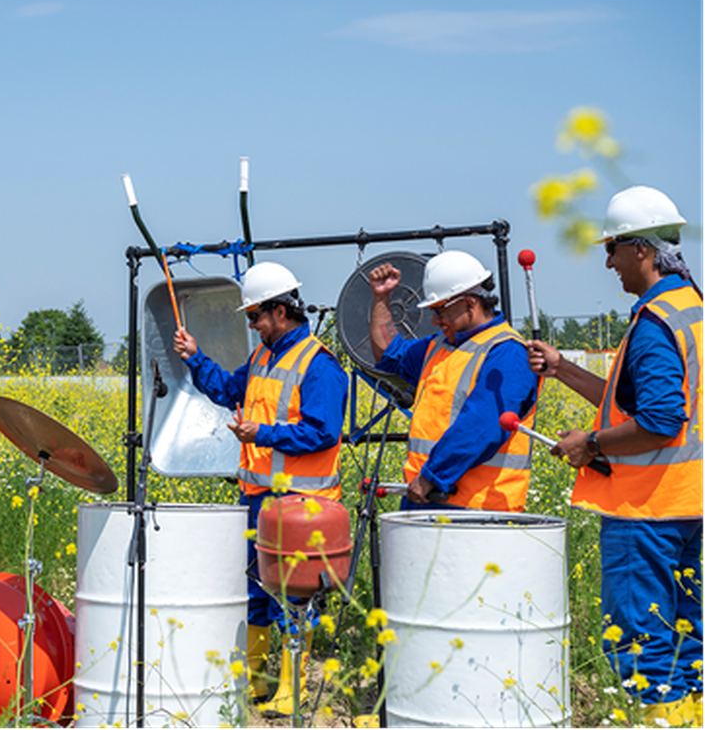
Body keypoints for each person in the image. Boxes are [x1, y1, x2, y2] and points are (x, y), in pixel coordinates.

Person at [528, 186, 703, 726]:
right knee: (685, 632)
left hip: (645, 509)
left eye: (614, 250)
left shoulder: (653, 323)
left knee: (641, 642)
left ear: (644, 251)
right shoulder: (690, 307)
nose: (609, 262)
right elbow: (626, 401)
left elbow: (657, 421)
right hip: (687, 504)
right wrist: (562, 368)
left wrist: (591, 444)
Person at [173, 261, 348, 716]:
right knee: (256, 588)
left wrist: (263, 434)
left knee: (294, 593)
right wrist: (195, 357)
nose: (251, 325)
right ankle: (254, 681)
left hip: (301, 503)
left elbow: (323, 432)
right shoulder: (262, 357)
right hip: (259, 499)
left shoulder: (320, 365)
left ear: (280, 311)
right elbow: (230, 389)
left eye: (255, 316)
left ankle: (292, 687)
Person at [367, 250, 540, 510]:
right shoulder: (438, 347)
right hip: (428, 499)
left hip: (477, 510)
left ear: (470, 304)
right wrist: (381, 299)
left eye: (440, 310)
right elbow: (389, 354)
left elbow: (483, 426)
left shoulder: (508, 353)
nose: (435, 320)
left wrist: (430, 477)